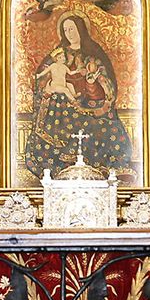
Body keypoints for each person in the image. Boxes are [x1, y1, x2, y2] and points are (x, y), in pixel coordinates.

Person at [19, 13, 133, 181]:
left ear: (80, 30)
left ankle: (106, 169)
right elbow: (42, 79)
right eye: (65, 30)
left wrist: (92, 84)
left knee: (109, 128)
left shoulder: (93, 57)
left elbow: (105, 90)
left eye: (72, 29)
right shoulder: (57, 56)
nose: (69, 33)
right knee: (51, 132)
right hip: (61, 108)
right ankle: (57, 172)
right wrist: (48, 87)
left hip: (89, 107)